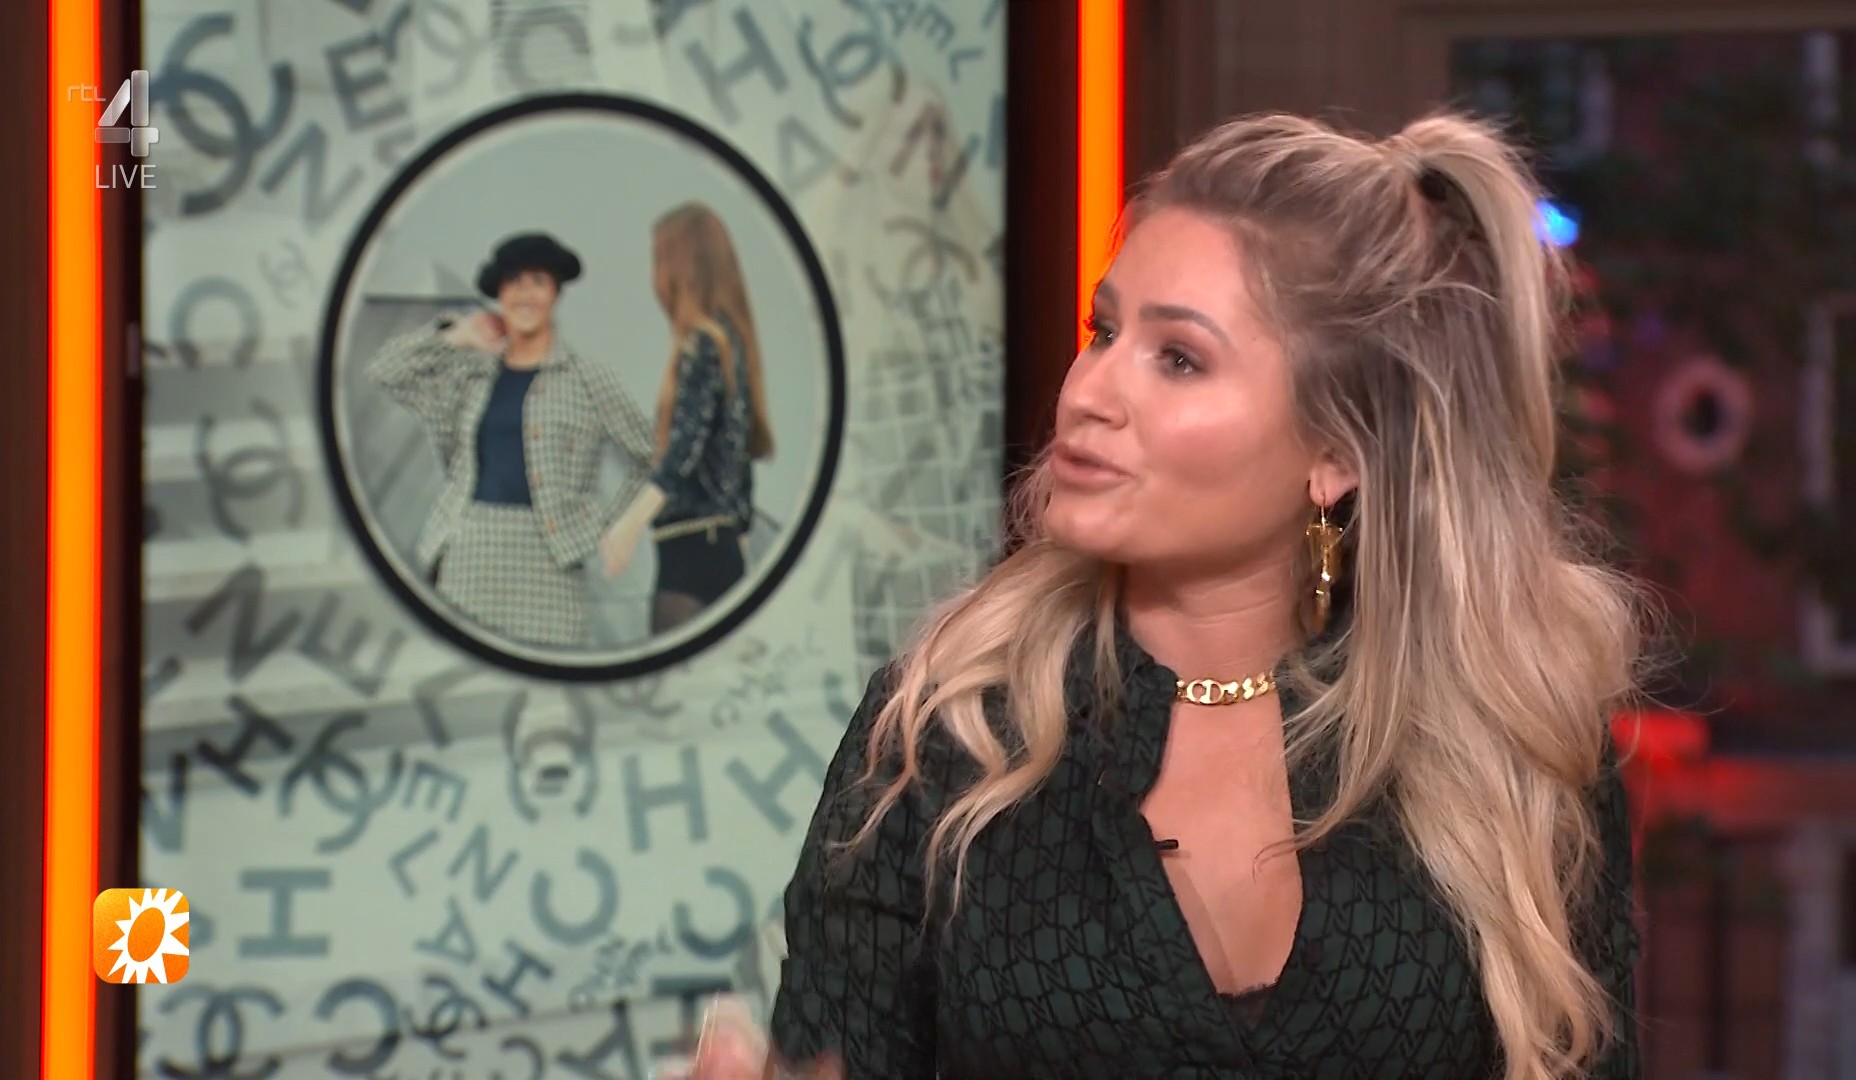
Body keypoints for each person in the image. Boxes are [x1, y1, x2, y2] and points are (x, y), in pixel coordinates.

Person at [694, 111, 1645, 1079]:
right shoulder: (946, 732)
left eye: (1179, 359)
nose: (1087, 393)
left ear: (1336, 454)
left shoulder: (1506, 753)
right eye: (1103, 332)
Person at [367, 231, 655, 648]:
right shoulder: (471, 376)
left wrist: (615, 525)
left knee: (549, 681)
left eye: (538, 281)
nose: (525, 294)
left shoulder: (588, 378)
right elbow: (385, 371)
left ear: (556, 294)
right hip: (469, 550)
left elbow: (652, 456)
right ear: (499, 293)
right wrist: (456, 336)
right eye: (514, 281)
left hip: (550, 561)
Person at [600, 202, 775, 635]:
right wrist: (740, 532)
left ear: (679, 268)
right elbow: (737, 452)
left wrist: (629, 524)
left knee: (672, 673)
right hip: (721, 550)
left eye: (659, 260)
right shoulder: (732, 343)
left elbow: (684, 450)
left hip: (690, 554)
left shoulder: (702, 344)